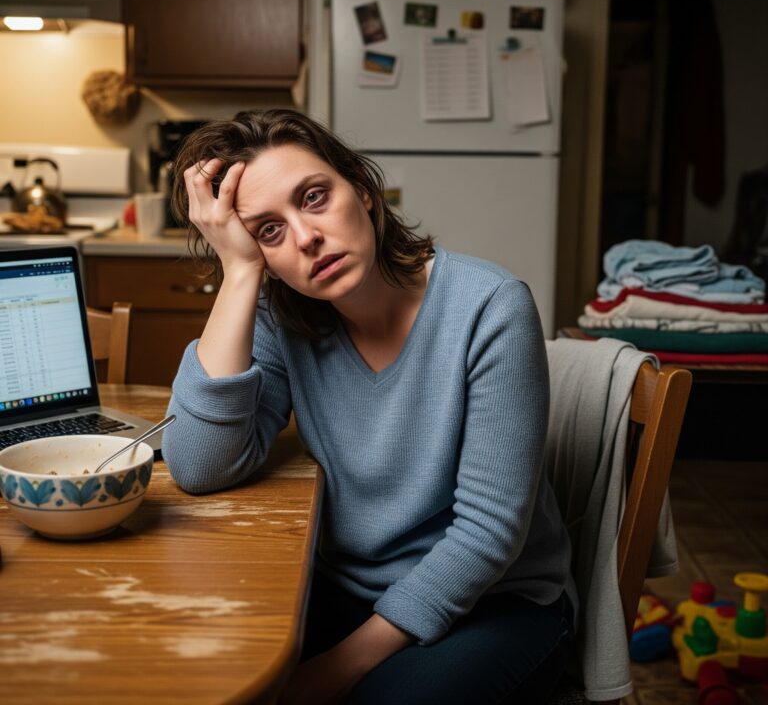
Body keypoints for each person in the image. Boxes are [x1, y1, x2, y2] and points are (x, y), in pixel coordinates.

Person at [162, 108, 576, 705]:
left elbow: (488, 534)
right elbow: (201, 467)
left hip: (496, 601)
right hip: (348, 588)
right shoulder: (286, 319)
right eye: (268, 231)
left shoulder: (490, 307)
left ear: (362, 187)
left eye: (313, 197)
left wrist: (336, 669)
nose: (306, 237)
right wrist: (239, 274)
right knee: (206, 669)